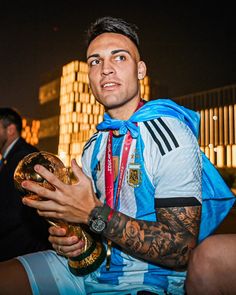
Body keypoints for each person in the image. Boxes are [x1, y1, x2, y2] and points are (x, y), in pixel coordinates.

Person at [0, 16, 234, 295]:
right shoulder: (93, 145)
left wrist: (92, 213)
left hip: (148, 278)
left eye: (119, 58)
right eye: (95, 61)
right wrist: (71, 239)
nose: (106, 69)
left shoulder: (170, 132)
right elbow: (87, 230)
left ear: (140, 70)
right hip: (88, 270)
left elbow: (180, 248)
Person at [0, 107, 51, 261]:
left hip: (22, 251)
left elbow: (18, 209)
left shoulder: (26, 158)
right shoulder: (12, 157)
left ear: (10, 130)